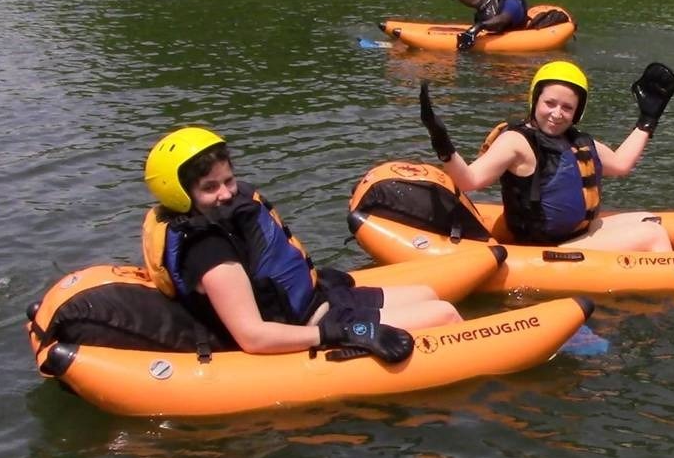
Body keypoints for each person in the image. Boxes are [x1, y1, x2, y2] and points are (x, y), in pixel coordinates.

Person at [142, 127, 461, 360]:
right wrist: (345, 334)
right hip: (312, 324)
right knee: (444, 314)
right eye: (209, 187)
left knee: (427, 294)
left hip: (321, 300)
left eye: (228, 180)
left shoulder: (224, 217)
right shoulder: (210, 254)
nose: (225, 193)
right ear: (180, 194)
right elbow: (253, 336)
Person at [418, 60, 674, 252]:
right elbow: (469, 181)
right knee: (652, 234)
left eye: (567, 108)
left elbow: (621, 164)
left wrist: (648, 120)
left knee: (649, 218)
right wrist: (442, 142)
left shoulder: (575, 141)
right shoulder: (516, 142)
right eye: (550, 103)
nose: (557, 114)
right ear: (535, 100)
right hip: (546, 246)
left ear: (577, 112)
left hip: (578, 234)